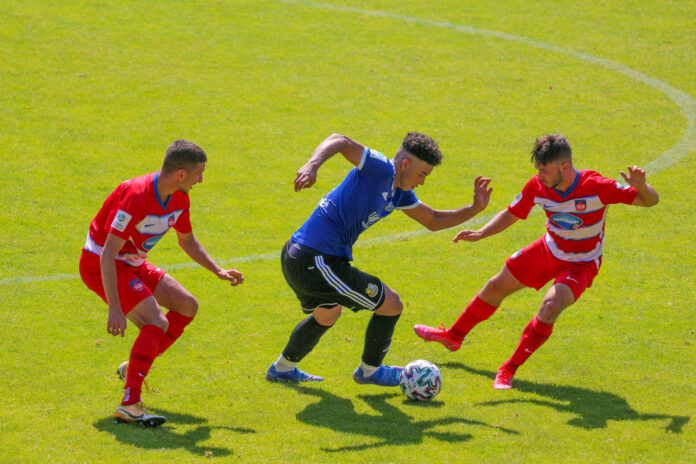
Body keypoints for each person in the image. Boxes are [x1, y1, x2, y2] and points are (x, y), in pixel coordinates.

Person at [414, 134, 659, 389]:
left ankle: (508, 369)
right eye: (538, 170)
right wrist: (481, 233)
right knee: (495, 286)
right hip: (548, 249)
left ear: (565, 167)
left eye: (545, 170)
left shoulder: (597, 186)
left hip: (581, 264)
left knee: (551, 305)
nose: (540, 175)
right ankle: (453, 337)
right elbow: (512, 213)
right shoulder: (538, 187)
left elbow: (650, 200)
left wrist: (642, 185)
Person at [266, 132, 492, 386]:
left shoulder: (399, 193)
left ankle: (282, 369)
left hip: (304, 257)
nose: (423, 182)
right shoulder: (381, 169)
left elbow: (433, 220)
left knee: (327, 314)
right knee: (391, 304)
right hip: (316, 260)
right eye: (423, 174)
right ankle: (371, 371)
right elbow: (340, 140)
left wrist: (474, 209)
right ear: (405, 165)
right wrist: (312, 164)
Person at [79, 140, 244, 426]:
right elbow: (107, 255)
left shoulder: (179, 198)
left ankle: (134, 368)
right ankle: (129, 404)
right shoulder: (136, 197)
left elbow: (187, 240)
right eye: (197, 174)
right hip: (102, 264)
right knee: (156, 322)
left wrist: (217, 270)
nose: (200, 180)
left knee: (187, 305)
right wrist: (115, 308)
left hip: (131, 262)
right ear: (181, 173)